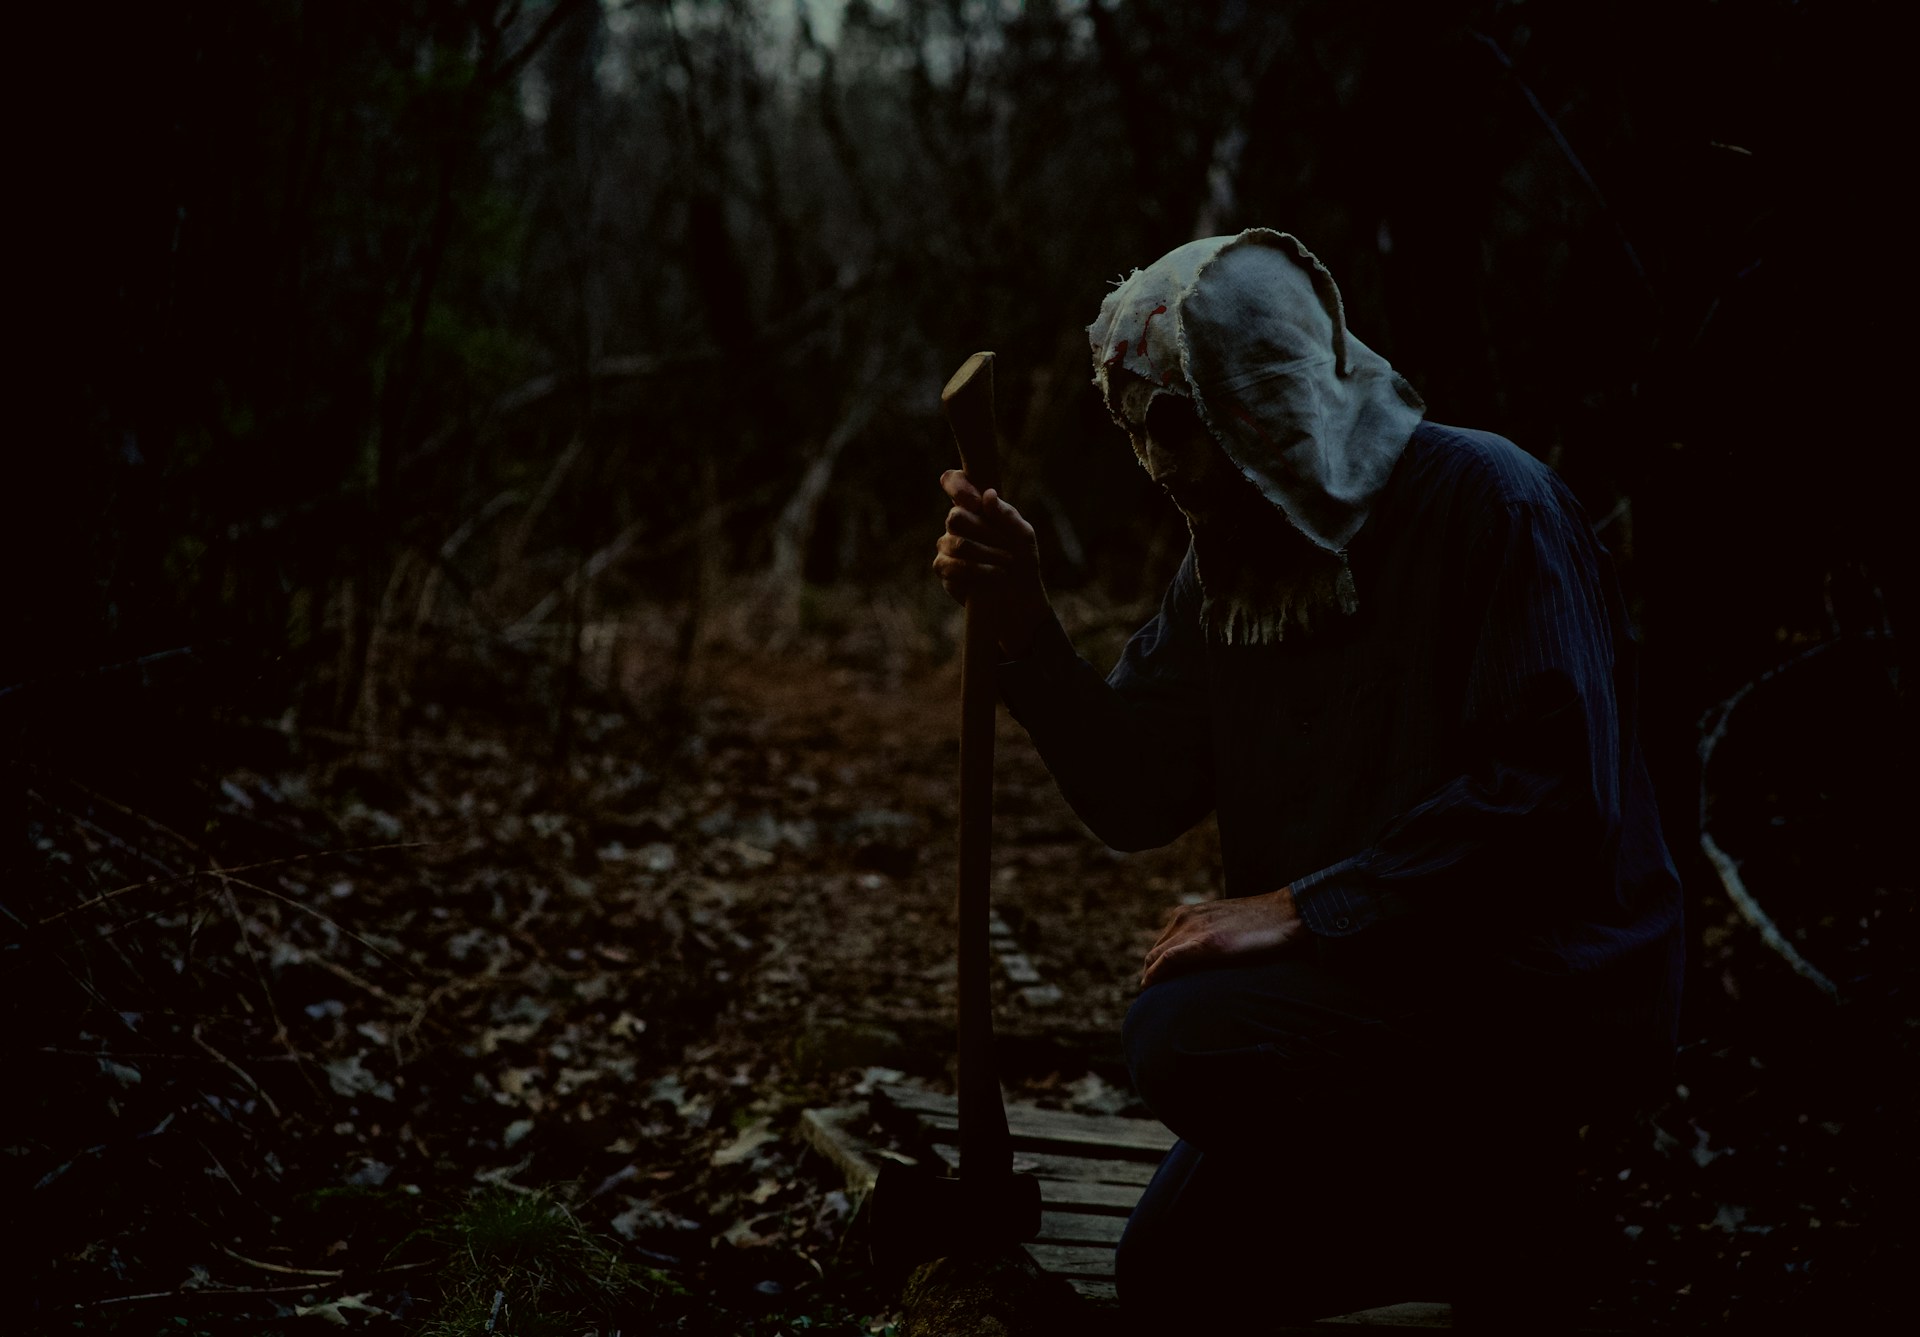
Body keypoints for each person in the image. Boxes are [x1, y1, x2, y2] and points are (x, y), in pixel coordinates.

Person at [930, 229, 1684, 1329]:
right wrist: (1027, 629)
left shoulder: (1492, 501)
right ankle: (1463, 1249)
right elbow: (1138, 790)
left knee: (1187, 1029)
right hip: (1379, 986)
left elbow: (1554, 798)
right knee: (1172, 1277)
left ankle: (1522, 1237)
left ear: (1264, 383)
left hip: (1536, 987)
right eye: (1137, 429)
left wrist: (1303, 907)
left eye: (1178, 422)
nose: (1160, 464)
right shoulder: (1231, 562)